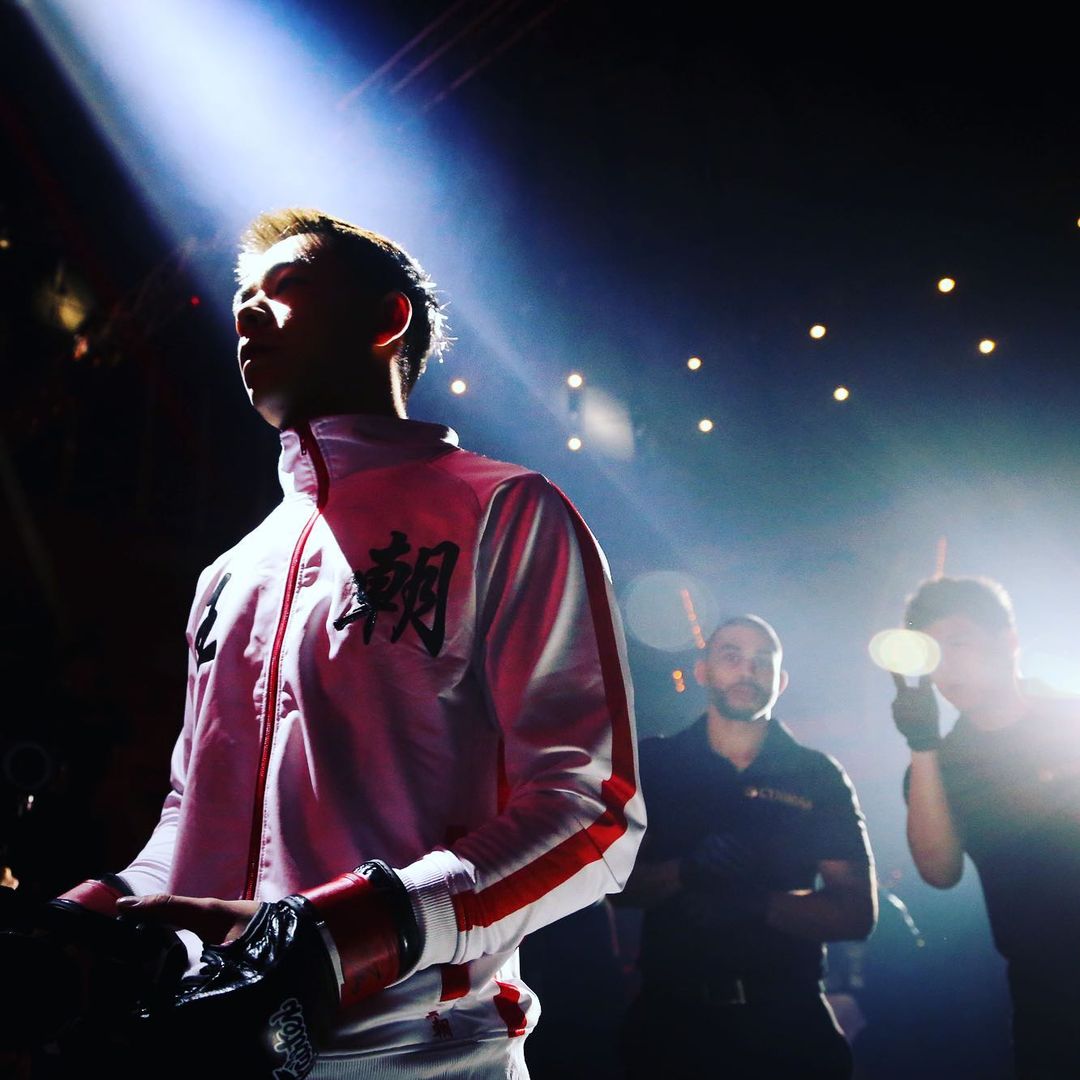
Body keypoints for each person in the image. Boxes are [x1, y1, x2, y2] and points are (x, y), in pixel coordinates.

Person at [39, 208, 646, 1078]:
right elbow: (192, 819)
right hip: (214, 1053)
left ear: (387, 319)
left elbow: (591, 811)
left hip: (426, 1059)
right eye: (243, 298)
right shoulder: (228, 574)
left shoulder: (506, 511)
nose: (247, 312)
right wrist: (98, 913)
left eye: (286, 286)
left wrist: (344, 933)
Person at [616, 615, 877, 1079]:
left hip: (787, 1024)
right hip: (672, 1026)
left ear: (781, 680)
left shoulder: (817, 774)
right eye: (731, 656)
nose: (747, 671)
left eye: (762, 661)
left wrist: (757, 903)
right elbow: (612, 886)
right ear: (703, 671)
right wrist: (686, 870)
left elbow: (857, 914)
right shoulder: (655, 763)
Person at [891, 575, 1080, 1080]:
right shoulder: (940, 767)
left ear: (1009, 641)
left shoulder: (1071, 721)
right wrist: (922, 743)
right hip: (1045, 997)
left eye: (959, 643)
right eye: (933, 653)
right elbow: (939, 872)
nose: (947, 666)